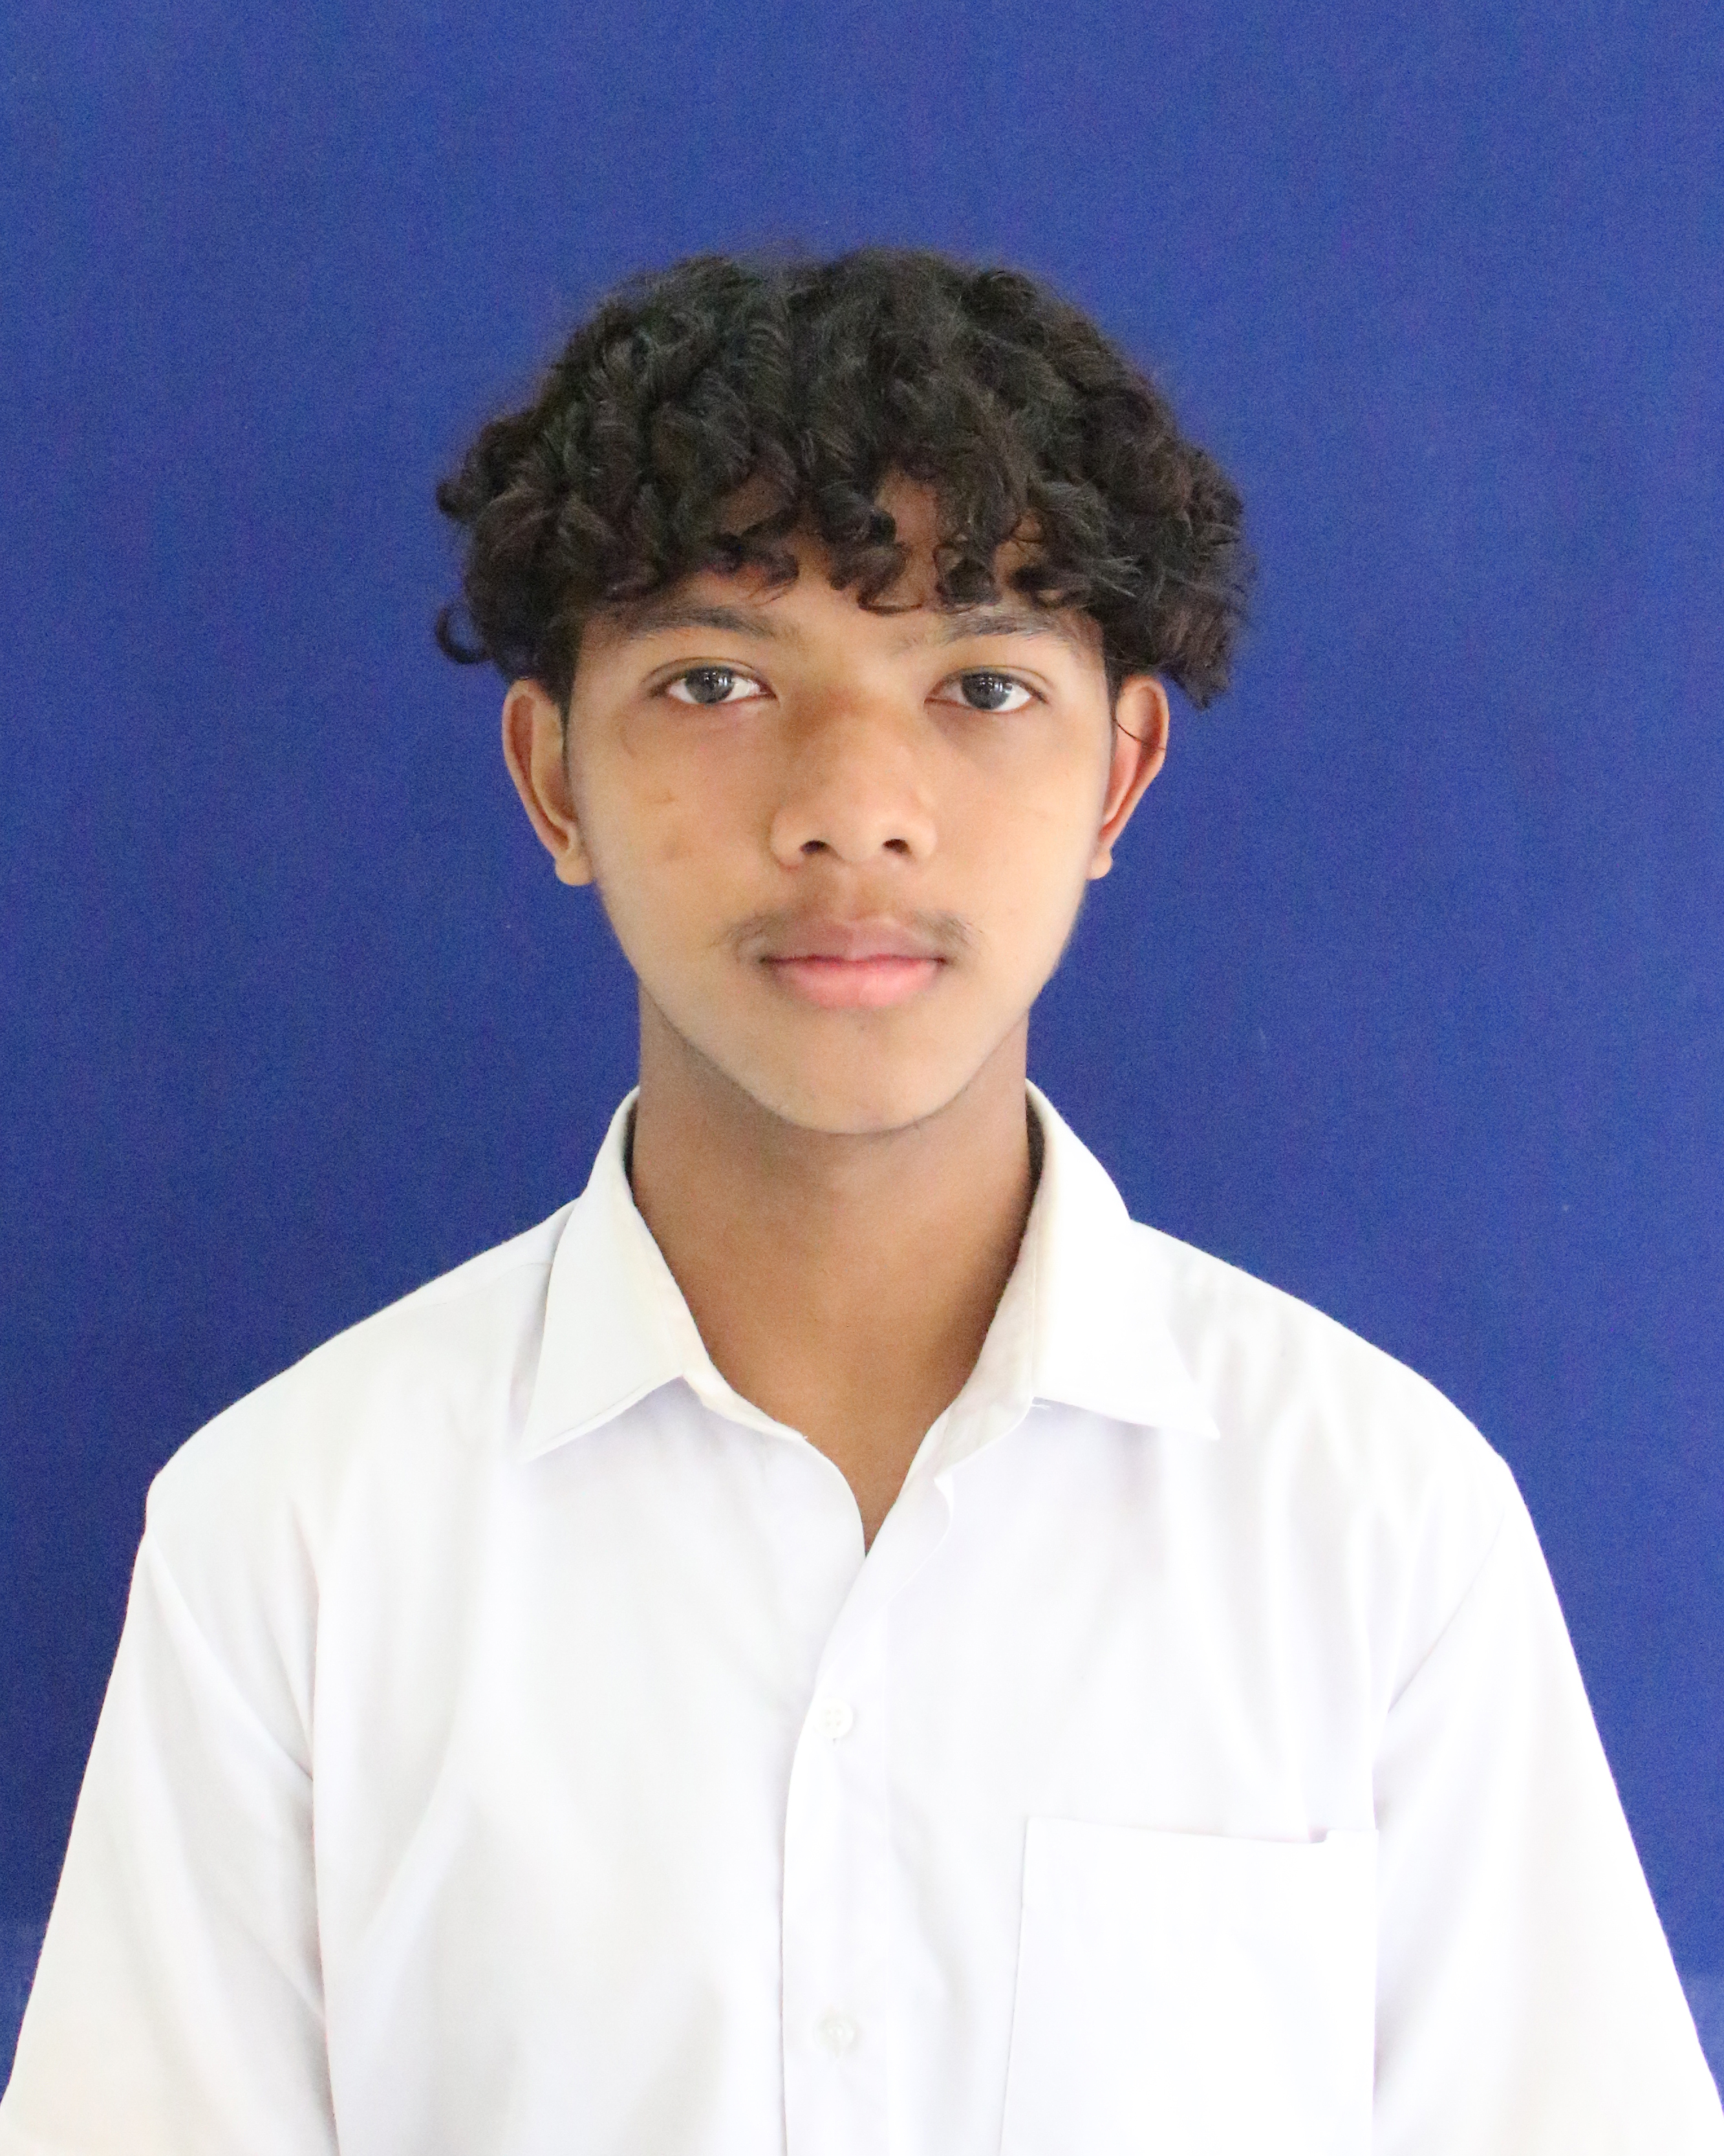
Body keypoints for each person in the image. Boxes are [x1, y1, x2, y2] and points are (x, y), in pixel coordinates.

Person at [2, 247, 1718, 2156]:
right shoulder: (292, 1541)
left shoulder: (1379, 1528)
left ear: (1118, 778)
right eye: (714, 681)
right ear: (552, 780)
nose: (854, 805)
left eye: (981, 685)